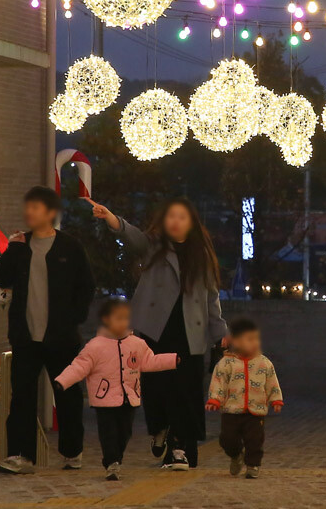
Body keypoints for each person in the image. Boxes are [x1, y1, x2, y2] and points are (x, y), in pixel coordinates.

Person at [85, 196, 227, 471]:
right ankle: (160, 428)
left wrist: (220, 332)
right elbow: (133, 237)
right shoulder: (155, 247)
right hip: (155, 330)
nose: (175, 221)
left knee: (185, 393)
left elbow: (211, 298)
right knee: (156, 390)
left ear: (192, 224)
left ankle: (179, 448)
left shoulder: (202, 255)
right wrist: (110, 217)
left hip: (190, 333)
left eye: (182, 217)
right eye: (171, 216)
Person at [0, 186, 95, 475]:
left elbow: (86, 286)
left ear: (50, 213)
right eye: (28, 207)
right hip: (26, 336)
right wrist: (13, 248)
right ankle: (19, 456)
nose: (29, 212)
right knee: (22, 396)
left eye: (35, 207)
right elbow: (0, 278)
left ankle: (72, 452)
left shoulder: (70, 247)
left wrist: (73, 318)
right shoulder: (20, 247)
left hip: (62, 337)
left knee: (68, 396)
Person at [53, 298, 179, 481]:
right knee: (108, 433)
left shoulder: (136, 344)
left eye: (126, 318)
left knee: (124, 432)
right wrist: (62, 381)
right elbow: (79, 367)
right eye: (118, 318)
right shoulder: (95, 346)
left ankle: (116, 459)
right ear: (106, 319)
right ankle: (111, 462)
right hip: (104, 400)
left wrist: (172, 360)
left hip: (129, 397)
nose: (123, 322)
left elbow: (150, 361)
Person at [206, 316, 283, 479]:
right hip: (231, 410)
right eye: (249, 339)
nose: (254, 343)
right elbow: (218, 382)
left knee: (255, 440)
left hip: (255, 411)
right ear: (236, 341)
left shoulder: (264, 363)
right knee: (227, 439)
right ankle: (235, 456)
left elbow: (272, 382)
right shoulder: (226, 363)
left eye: (256, 339)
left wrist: (275, 399)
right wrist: (214, 399)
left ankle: (253, 464)